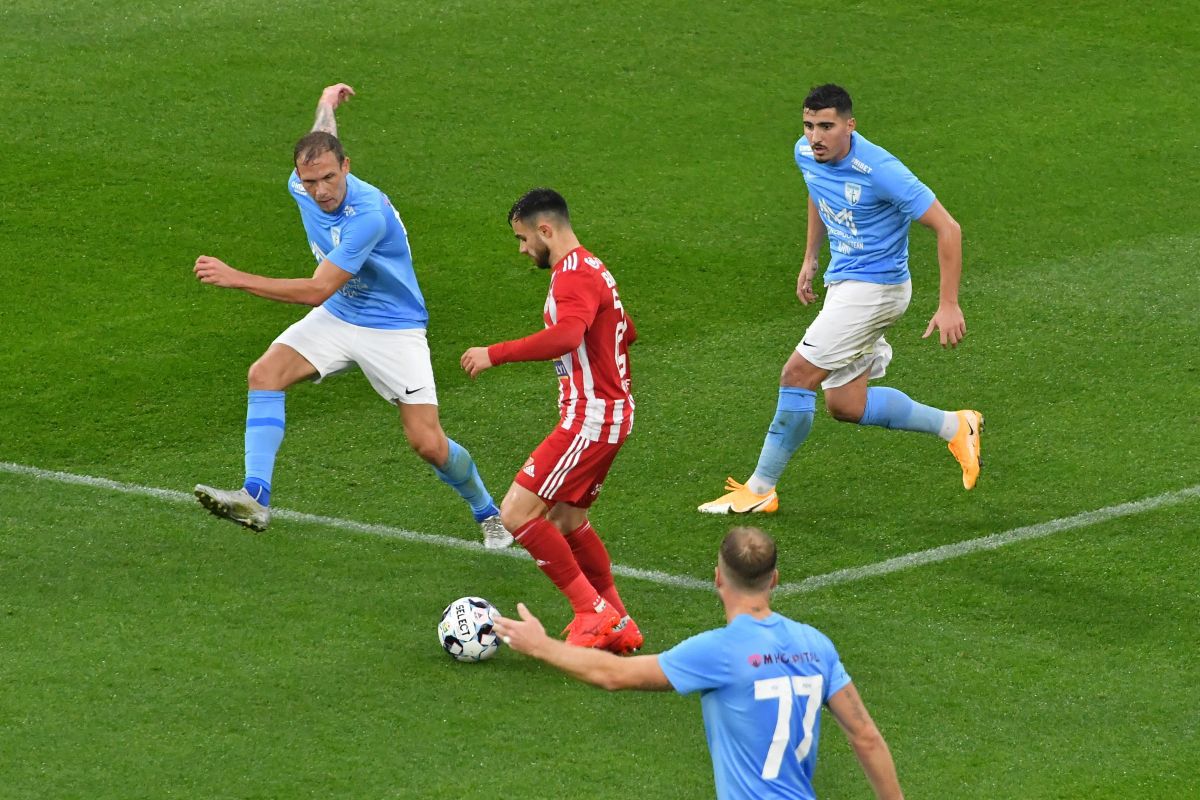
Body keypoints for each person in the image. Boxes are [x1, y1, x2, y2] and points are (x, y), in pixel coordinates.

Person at [191, 82, 512, 549]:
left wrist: (236, 277)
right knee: (265, 374)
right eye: (309, 181)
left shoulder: (367, 215)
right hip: (340, 315)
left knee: (427, 442)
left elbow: (317, 289)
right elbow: (320, 138)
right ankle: (255, 496)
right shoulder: (302, 182)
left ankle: (488, 513)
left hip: (392, 327)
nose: (319, 191)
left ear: (346, 167)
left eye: (328, 179)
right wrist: (326, 104)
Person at [699, 83, 982, 515]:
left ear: (850, 125)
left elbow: (949, 228)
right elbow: (819, 191)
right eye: (809, 125)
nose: (816, 137)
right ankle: (956, 425)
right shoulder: (806, 153)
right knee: (846, 405)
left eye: (826, 127)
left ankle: (760, 490)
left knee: (796, 375)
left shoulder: (881, 169)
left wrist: (949, 304)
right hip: (844, 284)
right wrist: (811, 257)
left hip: (876, 291)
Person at [494, 526, 904, 800]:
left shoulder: (719, 652)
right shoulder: (817, 646)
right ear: (774, 580)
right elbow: (866, 737)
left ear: (718, 578)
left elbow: (613, 674)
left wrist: (541, 645)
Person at [460, 188, 641, 653]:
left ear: (546, 229)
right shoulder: (595, 267)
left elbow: (566, 336)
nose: (523, 250)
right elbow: (628, 331)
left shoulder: (571, 276)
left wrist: (493, 354)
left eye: (523, 239)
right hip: (611, 413)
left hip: (591, 417)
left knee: (517, 512)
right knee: (566, 517)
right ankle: (618, 620)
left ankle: (591, 613)